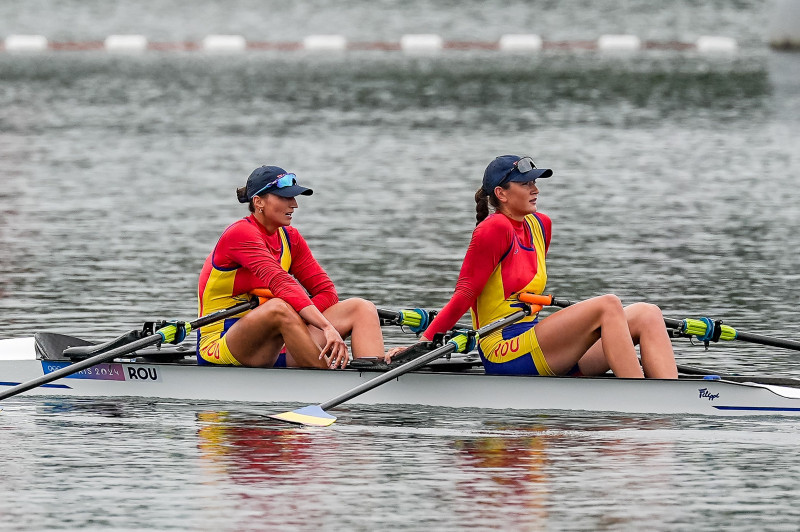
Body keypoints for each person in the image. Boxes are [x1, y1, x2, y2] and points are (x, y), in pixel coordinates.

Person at [400, 155, 678, 379]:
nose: (536, 189)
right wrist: (423, 343)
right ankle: (639, 399)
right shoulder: (493, 229)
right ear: (502, 194)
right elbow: (464, 294)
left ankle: (672, 399)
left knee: (647, 313)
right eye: (526, 184)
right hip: (503, 351)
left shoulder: (541, 225)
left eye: (535, 182)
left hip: (537, 343)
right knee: (608, 304)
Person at [197, 165, 387, 369]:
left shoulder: (290, 238)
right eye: (284, 198)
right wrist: (325, 326)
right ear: (258, 201)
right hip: (222, 344)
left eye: (294, 198)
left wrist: (296, 323)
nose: (294, 204)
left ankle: (373, 375)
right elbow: (280, 282)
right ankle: (329, 379)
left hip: (278, 338)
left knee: (361, 308)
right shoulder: (240, 234)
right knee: (279, 307)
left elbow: (327, 292)